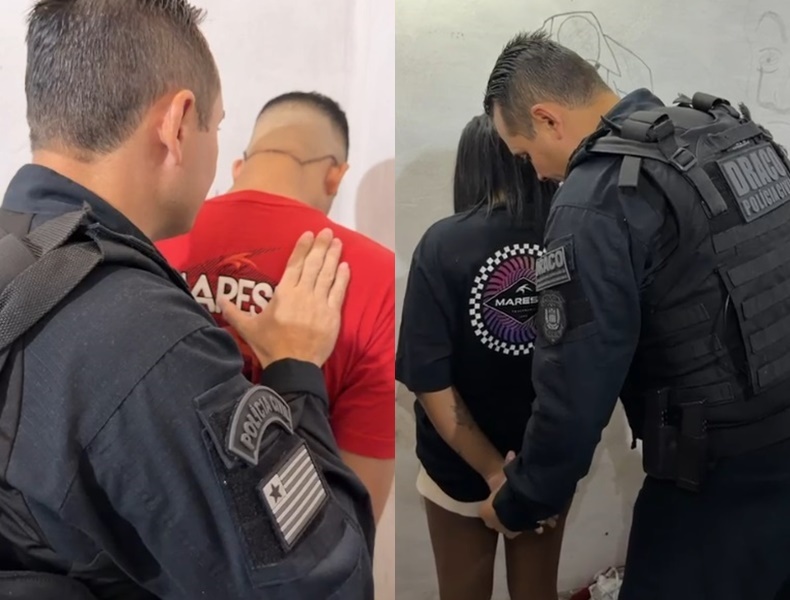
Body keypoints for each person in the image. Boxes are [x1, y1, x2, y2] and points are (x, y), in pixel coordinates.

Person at [0, 2, 374, 598]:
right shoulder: (143, 338)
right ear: (177, 124)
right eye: (216, 126)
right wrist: (295, 370)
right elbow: (331, 584)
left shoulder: (19, 251)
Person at [479, 29, 790, 600]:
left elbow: (574, 388)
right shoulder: (724, 131)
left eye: (525, 154)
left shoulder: (595, 198)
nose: (537, 173)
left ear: (547, 119)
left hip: (715, 489)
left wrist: (521, 499)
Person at [156, 91, 396, 523]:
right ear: (335, 176)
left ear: (239, 166)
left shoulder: (150, 238)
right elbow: (357, 513)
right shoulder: (375, 275)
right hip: (288, 546)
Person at [396, 115, 563, 600]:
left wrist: (493, 471)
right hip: (545, 460)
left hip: (457, 464)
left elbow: (429, 380)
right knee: (538, 591)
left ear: (469, 168)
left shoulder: (441, 244)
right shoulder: (569, 238)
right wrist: (527, 475)